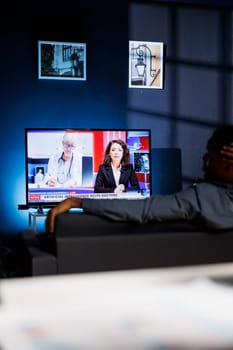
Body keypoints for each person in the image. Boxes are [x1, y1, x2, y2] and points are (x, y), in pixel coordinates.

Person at [46, 125, 233, 234]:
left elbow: (142, 205)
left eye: (209, 157)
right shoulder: (102, 168)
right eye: (112, 150)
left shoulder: (201, 198)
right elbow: (97, 188)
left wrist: (77, 201)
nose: (203, 163)